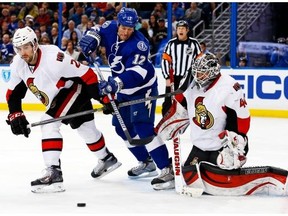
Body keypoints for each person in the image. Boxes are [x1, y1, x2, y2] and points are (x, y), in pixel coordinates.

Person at [6, 26, 121, 193]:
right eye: (19, 48)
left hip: (74, 90)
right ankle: (106, 158)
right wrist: (15, 113)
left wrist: (102, 97)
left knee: (48, 123)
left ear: (35, 44)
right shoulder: (18, 63)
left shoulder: (54, 57)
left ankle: (53, 172)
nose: (22, 52)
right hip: (57, 98)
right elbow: (13, 93)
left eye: (26, 47)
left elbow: (87, 74)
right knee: (87, 130)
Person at [157, 53, 288, 196]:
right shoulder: (191, 83)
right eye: (196, 73)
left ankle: (270, 178)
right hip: (200, 144)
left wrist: (238, 142)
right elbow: (180, 103)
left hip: (223, 144)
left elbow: (242, 118)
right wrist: (171, 122)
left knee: (220, 180)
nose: (197, 77)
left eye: (202, 73)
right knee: (191, 177)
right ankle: (173, 170)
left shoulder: (229, 87)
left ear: (212, 72)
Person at [79, 7, 174, 190]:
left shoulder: (140, 44)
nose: (126, 32)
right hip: (121, 89)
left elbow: (137, 73)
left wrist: (115, 83)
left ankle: (166, 168)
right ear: (118, 23)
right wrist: (92, 38)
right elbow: (97, 30)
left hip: (142, 89)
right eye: (123, 28)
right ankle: (146, 162)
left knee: (143, 128)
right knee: (122, 129)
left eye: (130, 29)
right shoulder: (110, 27)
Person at [161, 20, 201, 116]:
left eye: (183, 28)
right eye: (179, 28)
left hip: (189, 78)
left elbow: (199, 60)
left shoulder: (194, 43)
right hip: (174, 78)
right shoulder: (171, 44)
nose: (180, 30)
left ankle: (190, 119)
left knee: (188, 100)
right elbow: (165, 60)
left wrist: (197, 76)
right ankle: (165, 121)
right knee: (168, 100)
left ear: (187, 30)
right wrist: (167, 77)